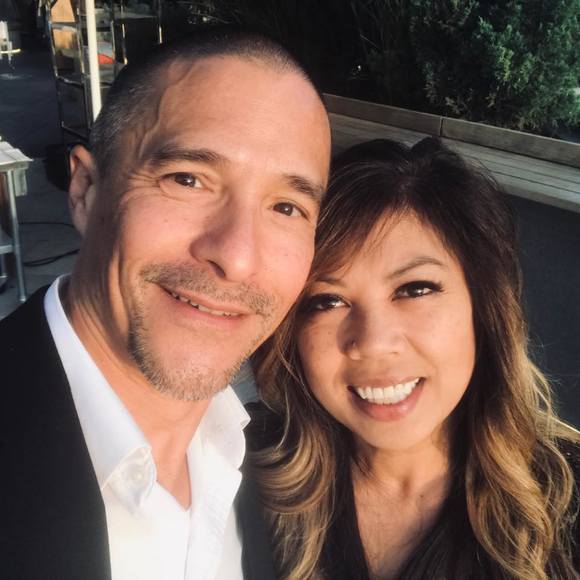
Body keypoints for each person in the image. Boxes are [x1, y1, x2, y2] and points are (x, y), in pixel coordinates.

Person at [0, 27, 330, 579]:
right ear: (85, 191)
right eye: (188, 179)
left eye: (286, 207)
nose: (237, 257)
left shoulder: (272, 467)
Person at [249, 138, 579, 579]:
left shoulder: (571, 501)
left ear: (482, 308)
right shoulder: (231, 467)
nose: (373, 341)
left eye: (414, 289)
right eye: (326, 301)